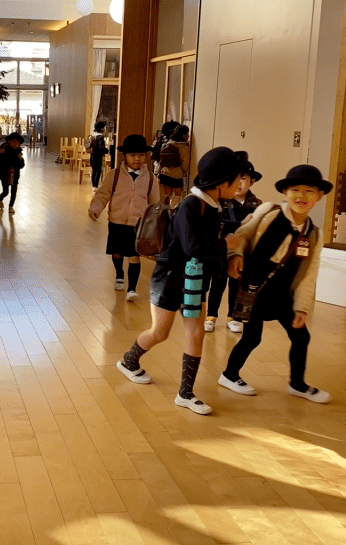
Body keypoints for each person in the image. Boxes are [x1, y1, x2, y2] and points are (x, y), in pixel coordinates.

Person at [115, 147, 245, 415]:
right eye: (237, 180)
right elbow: (192, 246)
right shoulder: (191, 205)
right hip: (170, 279)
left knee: (196, 333)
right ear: (221, 183)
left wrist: (229, 257)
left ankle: (186, 393)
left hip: (195, 279)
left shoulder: (215, 205)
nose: (239, 185)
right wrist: (226, 244)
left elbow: (207, 246)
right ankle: (129, 361)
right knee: (159, 332)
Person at [218, 164, 332, 404]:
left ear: (319, 196)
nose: (301, 196)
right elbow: (242, 234)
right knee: (252, 338)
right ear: (285, 193)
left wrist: (302, 307)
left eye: (309, 191)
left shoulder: (314, 233)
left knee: (301, 336)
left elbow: (308, 273)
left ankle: (297, 384)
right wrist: (235, 255)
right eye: (295, 190)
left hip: (282, 294)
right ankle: (229, 375)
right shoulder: (268, 212)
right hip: (253, 288)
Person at [88, 134, 159, 302]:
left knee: (134, 255)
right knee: (117, 252)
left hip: (137, 225)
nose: (137, 158)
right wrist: (95, 208)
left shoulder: (150, 179)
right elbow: (103, 195)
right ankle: (119, 273)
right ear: (125, 156)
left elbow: (154, 204)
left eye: (141, 155)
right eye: (132, 155)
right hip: (116, 222)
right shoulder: (115, 175)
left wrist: (155, 223)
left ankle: (132, 289)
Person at [206, 160, 263, 333]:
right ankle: (211, 315)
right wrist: (239, 224)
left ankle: (232, 316)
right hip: (223, 250)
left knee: (237, 285)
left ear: (252, 182)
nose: (239, 183)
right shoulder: (222, 201)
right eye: (235, 179)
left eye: (243, 179)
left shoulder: (256, 204)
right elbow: (219, 224)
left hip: (243, 252)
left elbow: (258, 228)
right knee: (217, 283)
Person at [0, 132, 25, 215]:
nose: (15, 143)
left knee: (14, 192)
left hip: (15, 175)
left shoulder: (18, 153)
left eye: (17, 142)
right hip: (4, 175)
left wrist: (21, 159)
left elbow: (22, 165)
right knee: (6, 191)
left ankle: (11, 207)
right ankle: (0, 198)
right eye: (13, 141)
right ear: (9, 142)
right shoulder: (3, 150)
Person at [157, 124, 192, 199]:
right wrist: (184, 172)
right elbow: (185, 163)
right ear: (183, 135)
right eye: (187, 134)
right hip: (176, 175)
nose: (188, 136)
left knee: (166, 197)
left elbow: (161, 160)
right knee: (177, 197)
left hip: (165, 173)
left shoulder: (168, 143)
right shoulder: (184, 147)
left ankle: (165, 207)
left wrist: (159, 171)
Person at [87, 120, 109, 191]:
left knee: (94, 170)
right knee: (98, 171)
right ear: (102, 128)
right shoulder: (100, 137)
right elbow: (101, 147)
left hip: (92, 156)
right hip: (98, 156)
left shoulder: (93, 136)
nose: (105, 129)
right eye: (105, 127)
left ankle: (93, 185)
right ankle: (96, 186)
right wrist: (108, 151)